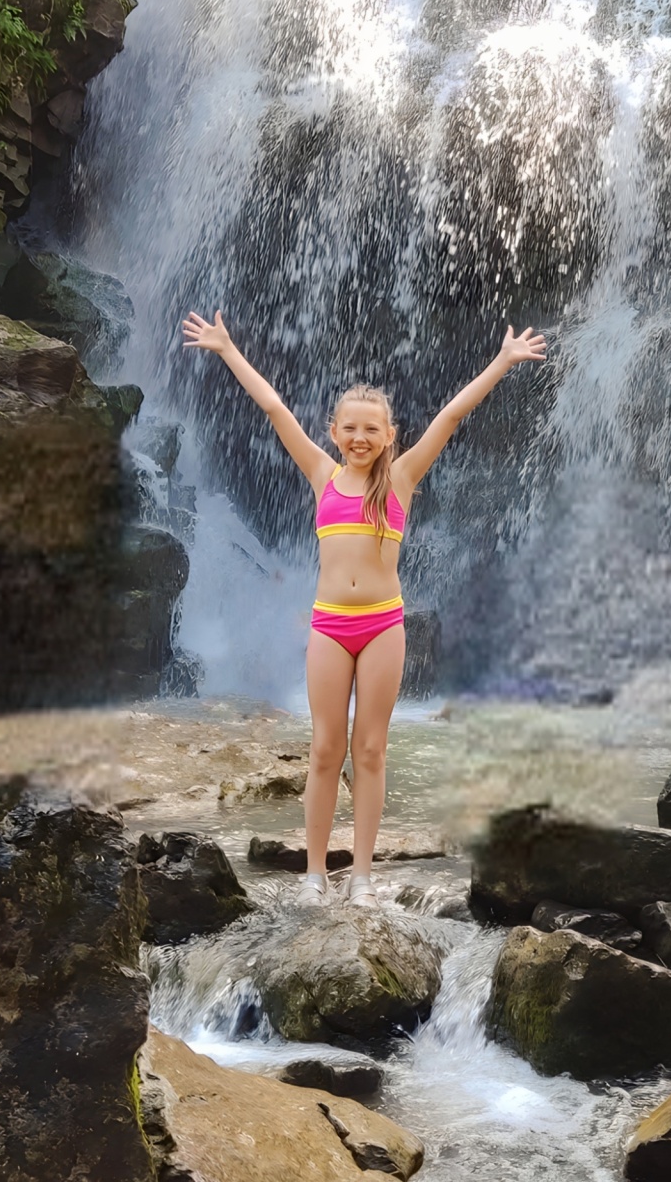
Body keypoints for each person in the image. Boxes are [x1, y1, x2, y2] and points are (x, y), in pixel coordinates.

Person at [180, 312, 547, 898]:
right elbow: (274, 408)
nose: (360, 438)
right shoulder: (321, 473)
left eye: (371, 430)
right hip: (329, 626)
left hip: (383, 627)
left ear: (389, 435)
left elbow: (452, 417)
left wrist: (501, 363)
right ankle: (316, 873)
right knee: (326, 749)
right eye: (350, 428)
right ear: (333, 432)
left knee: (370, 749)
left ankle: (363, 875)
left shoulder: (400, 479)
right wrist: (226, 349)